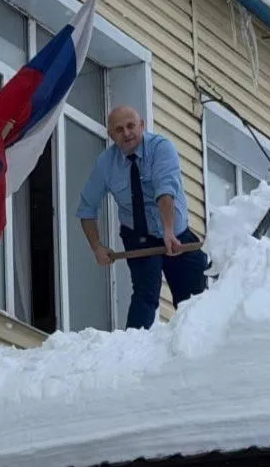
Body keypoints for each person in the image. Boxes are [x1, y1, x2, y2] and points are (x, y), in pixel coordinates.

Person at [76, 105, 208, 330]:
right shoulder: (105, 164)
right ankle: (132, 344)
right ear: (111, 135)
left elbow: (165, 191)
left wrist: (168, 231)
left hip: (175, 233)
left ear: (142, 126)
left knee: (193, 298)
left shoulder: (161, 148)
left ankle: (195, 338)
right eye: (119, 130)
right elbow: (87, 208)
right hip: (138, 236)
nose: (126, 133)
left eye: (131, 126)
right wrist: (96, 247)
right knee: (145, 294)